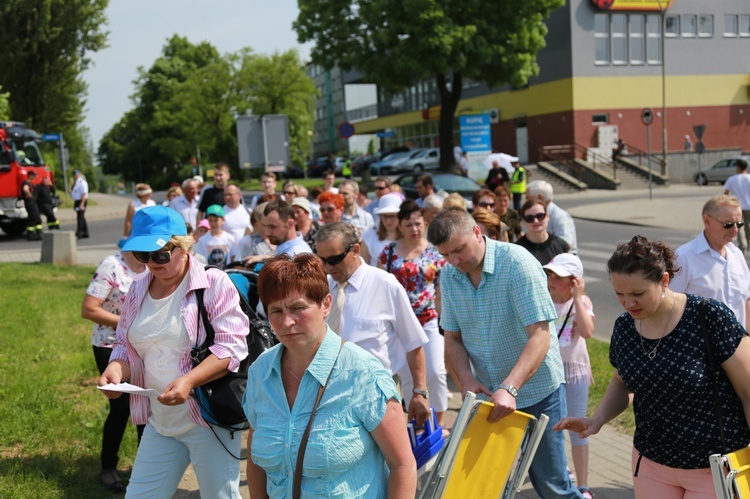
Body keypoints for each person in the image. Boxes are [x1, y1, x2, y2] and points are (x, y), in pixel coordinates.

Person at [555, 236, 750, 498]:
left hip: (714, 467)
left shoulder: (709, 316)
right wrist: (597, 420)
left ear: (664, 281)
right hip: (651, 464)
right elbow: (622, 381)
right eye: (619, 294)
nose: (628, 303)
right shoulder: (625, 327)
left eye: (637, 294)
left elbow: (748, 391)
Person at [426, 208, 580, 499]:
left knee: (550, 483)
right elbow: (453, 339)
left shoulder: (517, 263)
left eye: (459, 250)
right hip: (487, 395)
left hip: (537, 390)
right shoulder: (449, 275)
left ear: (477, 232)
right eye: (447, 255)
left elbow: (540, 336)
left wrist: (510, 387)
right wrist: (465, 380)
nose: (455, 261)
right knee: (481, 482)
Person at [97, 205, 249, 497]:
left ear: (183, 246)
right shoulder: (138, 287)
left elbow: (231, 348)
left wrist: (189, 380)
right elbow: (125, 345)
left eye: (160, 255)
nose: (152, 264)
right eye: (142, 256)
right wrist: (115, 369)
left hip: (208, 420)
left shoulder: (213, 282)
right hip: (160, 422)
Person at [244, 253, 417, 498]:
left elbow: (403, 465)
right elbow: (256, 461)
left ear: (326, 304)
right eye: (276, 311)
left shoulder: (362, 374)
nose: (287, 322)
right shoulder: (260, 372)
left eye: (298, 308)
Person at [314, 222, 431, 425]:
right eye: (321, 260)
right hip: (329, 390)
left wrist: (419, 392)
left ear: (356, 250)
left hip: (376, 391)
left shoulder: (385, 285)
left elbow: (413, 342)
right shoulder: (322, 286)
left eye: (334, 259)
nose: (327, 267)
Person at [82, 238, 147, 492]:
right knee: (120, 408)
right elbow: (89, 309)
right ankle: (108, 467)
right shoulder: (112, 266)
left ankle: (145, 468)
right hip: (110, 346)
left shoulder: (150, 266)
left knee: (146, 407)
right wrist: (126, 323)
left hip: (143, 346)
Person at [378, 200, 449, 426]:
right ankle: (418, 423)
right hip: (398, 323)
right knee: (408, 378)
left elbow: (443, 288)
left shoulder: (435, 253)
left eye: (418, 223)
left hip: (429, 319)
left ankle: (438, 421)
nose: (414, 229)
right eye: (408, 224)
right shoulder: (388, 252)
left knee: (436, 371)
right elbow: (380, 284)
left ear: (425, 223)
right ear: (400, 226)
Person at [542, 253, 595, 499]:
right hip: (549, 373)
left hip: (574, 372)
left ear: (574, 281)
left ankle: (583, 486)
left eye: (558, 277)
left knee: (577, 429)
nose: (551, 280)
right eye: (550, 274)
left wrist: (577, 298)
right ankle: (561, 473)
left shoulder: (581, 302)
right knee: (553, 427)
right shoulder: (542, 299)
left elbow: (586, 332)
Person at [670, 195, 750, 331]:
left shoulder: (736, 254)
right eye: (728, 224)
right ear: (706, 221)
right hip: (701, 348)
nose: (736, 230)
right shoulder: (683, 257)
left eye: (739, 224)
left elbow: (746, 301)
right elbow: (670, 307)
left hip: (738, 345)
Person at [242, 200, 312, 267]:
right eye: (264, 226)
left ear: (290, 224)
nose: (267, 233)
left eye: (272, 227)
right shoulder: (289, 251)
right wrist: (266, 258)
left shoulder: (297, 255)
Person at [527, 180, 579, 254]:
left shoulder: (560, 217)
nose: (526, 202)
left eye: (528, 198)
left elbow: (566, 246)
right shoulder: (539, 214)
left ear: (540, 197)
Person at [516, 199, 571, 265]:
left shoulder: (561, 246)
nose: (535, 221)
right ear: (524, 220)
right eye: (529, 218)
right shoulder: (517, 249)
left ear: (547, 216)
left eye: (540, 216)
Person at [362, 193, 402, 266]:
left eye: (393, 216)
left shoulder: (407, 234)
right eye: (385, 216)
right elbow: (363, 265)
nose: (388, 221)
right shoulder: (369, 235)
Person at [723, 159, 750, 252]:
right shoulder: (749, 178)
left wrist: (724, 204)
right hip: (749, 206)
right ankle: (749, 242)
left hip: (736, 207)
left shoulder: (732, 179)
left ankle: (743, 244)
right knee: (748, 225)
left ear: (738, 167)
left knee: (739, 226)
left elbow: (726, 193)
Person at [21, 171, 42, 240]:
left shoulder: (29, 183)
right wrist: (29, 195)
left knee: (31, 218)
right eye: (33, 175)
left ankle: (31, 234)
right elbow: (25, 189)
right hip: (30, 203)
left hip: (30, 203)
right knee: (35, 218)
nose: (34, 177)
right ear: (30, 175)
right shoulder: (26, 183)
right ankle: (37, 234)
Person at [70, 169, 89, 239]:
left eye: (77, 174)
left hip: (81, 201)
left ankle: (79, 232)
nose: (75, 176)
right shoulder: (76, 182)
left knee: (80, 217)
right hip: (77, 201)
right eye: (74, 175)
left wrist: (81, 204)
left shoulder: (82, 182)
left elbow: (83, 194)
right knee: (81, 216)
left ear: (79, 174)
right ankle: (85, 232)